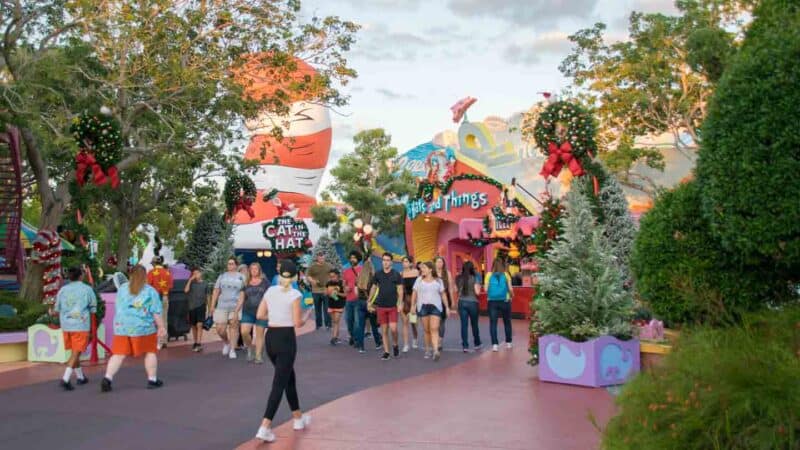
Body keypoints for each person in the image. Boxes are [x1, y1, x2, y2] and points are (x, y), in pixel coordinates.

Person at [254, 259, 313, 443]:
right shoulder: (295, 294)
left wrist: (276, 314)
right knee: (279, 383)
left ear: (280, 274)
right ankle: (265, 426)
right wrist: (306, 315)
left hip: (270, 337)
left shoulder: (270, 291)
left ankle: (298, 418)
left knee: (289, 378)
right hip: (286, 339)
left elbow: (259, 315)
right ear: (294, 276)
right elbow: (297, 322)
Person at [101, 265, 166, 392]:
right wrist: (161, 327)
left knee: (118, 354)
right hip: (143, 327)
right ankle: (152, 380)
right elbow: (156, 312)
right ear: (145, 276)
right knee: (150, 352)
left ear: (130, 275)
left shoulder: (122, 289)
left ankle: (107, 379)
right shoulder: (150, 291)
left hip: (122, 327)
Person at [54, 266, 97, 390]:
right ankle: (65, 378)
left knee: (74, 351)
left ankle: (80, 377)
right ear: (81, 276)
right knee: (76, 352)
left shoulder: (62, 290)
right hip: (80, 324)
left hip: (66, 325)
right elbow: (93, 307)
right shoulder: (87, 289)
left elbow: (57, 307)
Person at [368, 252, 403, 360]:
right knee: (384, 330)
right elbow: (373, 288)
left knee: (393, 329)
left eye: (387, 260)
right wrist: (369, 301)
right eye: (384, 260)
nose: (385, 262)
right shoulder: (378, 274)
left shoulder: (396, 274)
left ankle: (395, 345)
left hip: (392, 306)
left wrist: (400, 302)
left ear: (391, 262)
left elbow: (400, 290)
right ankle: (387, 352)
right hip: (381, 306)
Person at [209, 257, 245, 360]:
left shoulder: (241, 277)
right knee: (220, 329)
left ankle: (233, 349)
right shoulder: (222, 276)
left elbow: (242, 294)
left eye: (232, 263)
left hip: (235, 306)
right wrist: (212, 305)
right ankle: (226, 342)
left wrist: (238, 309)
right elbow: (216, 291)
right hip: (221, 305)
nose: (230, 265)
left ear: (236, 265)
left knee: (234, 326)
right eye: (229, 264)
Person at [410, 261, 446, 361]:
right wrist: (413, 306)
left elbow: (443, 294)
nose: (422, 270)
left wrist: (447, 307)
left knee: (434, 328)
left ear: (430, 269)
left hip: (436, 307)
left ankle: (435, 351)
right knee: (426, 330)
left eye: (424, 268)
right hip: (423, 307)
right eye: (422, 268)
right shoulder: (419, 280)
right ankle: (427, 349)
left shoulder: (438, 281)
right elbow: (414, 293)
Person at [484, 258, 514, 352]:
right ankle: (508, 343)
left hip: (492, 302)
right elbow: (510, 289)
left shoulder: (488, 275)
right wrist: (512, 295)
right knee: (507, 322)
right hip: (505, 300)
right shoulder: (506, 275)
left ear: (493, 265)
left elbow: (485, 289)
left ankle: (495, 345)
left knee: (493, 323)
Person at [242, 262, 269, 363]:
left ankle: (258, 356)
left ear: (259, 270)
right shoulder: (246, 282)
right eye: (252, 269)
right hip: (247, 311)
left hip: (261, 311)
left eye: (256, 269)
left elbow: (269, 296)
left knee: (259, 334)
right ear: (249, 270)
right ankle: (250, 348)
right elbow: (242, 297)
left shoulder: (265, 282)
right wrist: (236, 310)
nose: (254, 270)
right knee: (244, 332)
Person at [455, 261, 482, 352]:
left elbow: (456, 290)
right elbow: (477, 292)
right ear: (472, 268)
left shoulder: (459, 278)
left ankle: (465, 345)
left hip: (462, 302)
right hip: (473, 302)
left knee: (464, 325)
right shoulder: (475, 278)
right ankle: (477, 343)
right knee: (474, 324)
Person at [146, 256, 173, 349]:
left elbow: (147, 287)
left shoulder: (151, 273)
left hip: (154, 299)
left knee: (153, 320)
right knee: (164, 319)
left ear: (153, 263)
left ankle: (155, 342)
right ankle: (164, 341)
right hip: (165, 297)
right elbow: (170, 286)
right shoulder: (167, 272)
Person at [358, 257, 382, 351]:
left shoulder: (359, 278)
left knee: (361, 326)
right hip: (370, 302)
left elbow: (356, 292)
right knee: (373, 325)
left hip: (360, 302)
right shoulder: (373, 278)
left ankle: (361, 347)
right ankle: (377, 343)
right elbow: (376, 291)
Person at [183, 267, 209, 352]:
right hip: (192, 307)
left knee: (199, 325)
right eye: (194, 274)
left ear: (201, 273)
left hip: (201, 306)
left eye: (197, 273)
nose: (196, 275)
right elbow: (186, 290)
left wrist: (209, 308)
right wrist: (190, 280)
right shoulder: (191, 283)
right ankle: (195, 342)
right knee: (193, 326)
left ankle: (198, 343)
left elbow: (208, 296)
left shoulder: (205, 283)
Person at [434, 256, 456, 351]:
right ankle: (435, 339)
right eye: (438, 262)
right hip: (433, 300)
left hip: (444, 300)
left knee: (441, 321)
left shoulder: (447, 273)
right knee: (434, 322)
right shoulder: (431, 273)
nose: (439, 264)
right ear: (435, 263)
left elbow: (451, 288)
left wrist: (452, 301)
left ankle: (439, 341)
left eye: (441, 262)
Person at [306, 253, 333, 330]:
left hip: (325, 290)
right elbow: (308, 276)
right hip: (316, 291)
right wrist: (312, 280)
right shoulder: (312, 267)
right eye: (320, 257)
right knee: (317, 309)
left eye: (323, 257)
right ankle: (319, 325)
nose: (321, 259)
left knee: (327, 308)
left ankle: (328, 325)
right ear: (317, 258)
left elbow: (333, 275)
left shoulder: (329, 266)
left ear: (324, 257)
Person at [342, 251, 362, 347]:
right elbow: (344, 285)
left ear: (358, 259)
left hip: (359, 299)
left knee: (357, 322)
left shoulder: (362, 270)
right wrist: (345, 288)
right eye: (351, 258)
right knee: (349, 320)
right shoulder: (346, 271)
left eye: (354, 257)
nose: (352, 259)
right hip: (348, 300)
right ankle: (352, 336)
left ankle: (357, 340)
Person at [400, 256, 420, 352]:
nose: (404, 263)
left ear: (411, 263)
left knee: (413, 322)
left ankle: (415, 338)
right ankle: (405, 344)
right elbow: (399, 289)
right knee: (404, 322)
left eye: (406, 261)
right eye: (403, 262)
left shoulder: (416, 272)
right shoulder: (401, 274)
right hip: (404, 300)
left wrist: (415, 303)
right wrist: (399, 302)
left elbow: (419, 288)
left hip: (414, 300)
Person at [326, 269, 345, 345]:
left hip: (339, 304)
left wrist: (337, 293)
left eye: (333, 276)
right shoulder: (328, 283)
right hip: (331, 304)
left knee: (336, 321)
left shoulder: (341, 283)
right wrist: (327, 293)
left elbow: (345, 295)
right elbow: (326, 292)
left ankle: (333, 338)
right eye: (330, 276)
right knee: (334, 322)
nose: (331, 278)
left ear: (337, 276)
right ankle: (336, 337)